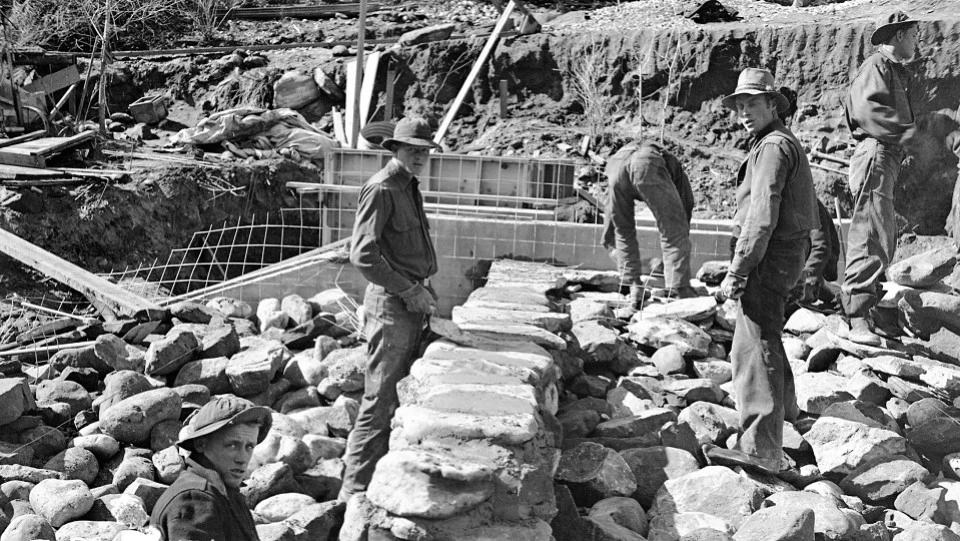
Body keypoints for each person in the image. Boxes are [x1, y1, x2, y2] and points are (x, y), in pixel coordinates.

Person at [707, 68, 819, 474]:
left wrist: (738, 270)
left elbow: (762, 214)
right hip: (782, 255)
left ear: (774, 104)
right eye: (739, 105)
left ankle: (761, 449)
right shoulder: (780, 142)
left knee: (752, 346)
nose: (743, 112)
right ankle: (788, 415)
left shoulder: (772, 146)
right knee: (765, 332)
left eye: (752, 103)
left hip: (769, 256)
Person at [338, 116, 440, 502]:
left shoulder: (407, 186)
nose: (419, 157)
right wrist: (408, 289)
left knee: (399, 393)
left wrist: (423, 289)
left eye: (424, 151)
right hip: (392, 304)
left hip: (411, 300)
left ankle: (379, 475)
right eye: (412, 150)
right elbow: (363, 255)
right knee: (379, 399)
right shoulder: (382, 188)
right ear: (395, 149)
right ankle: (354, 489)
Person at [841, 10, 920, 345]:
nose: (918, 41)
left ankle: (865, 311)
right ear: (899, 35)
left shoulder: (890, 70)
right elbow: (865, 110)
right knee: (871, 233)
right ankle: (856, 315)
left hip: (883, 157)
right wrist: (908, 135)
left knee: (880, 233)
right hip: (877, 154)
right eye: (915, 34)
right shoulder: (876, 66)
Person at [150, 395, 271, 541]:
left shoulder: (224, 494)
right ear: (201, 444)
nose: (242, 458)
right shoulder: (195, 498)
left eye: (249, 446)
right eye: (232, 445)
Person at [601, 140, 697, 306]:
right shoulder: (678, 174)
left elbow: (614, 220)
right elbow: (679, 223)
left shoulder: (665, 162)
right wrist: (677, 266)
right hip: (645, 163)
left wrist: (609, 240)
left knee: (622, 229)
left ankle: (633, 286)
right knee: (673, 229)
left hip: (616, 163)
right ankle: (680, 291)